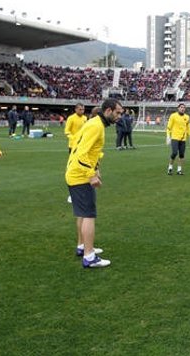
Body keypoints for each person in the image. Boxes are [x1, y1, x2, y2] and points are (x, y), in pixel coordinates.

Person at [65, 98, 124, 268]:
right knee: (89, 214)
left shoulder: (94, 123)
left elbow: (85, 148)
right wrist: (91, 175)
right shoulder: (96, 126)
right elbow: (82, 153)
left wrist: (96, 168)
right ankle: (89, 257)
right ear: (108, 111)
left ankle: (82, 246)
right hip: (80, 176)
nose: (119, 116)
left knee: (82, 213)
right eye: (117, 112)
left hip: (76, 173)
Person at [166, 103, 190, 175]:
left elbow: (188, 128)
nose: (183, 108)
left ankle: (179, 170)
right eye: (181, 107)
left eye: (184, 107)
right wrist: (168, 136)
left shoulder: (187, 117)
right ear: (178, 108)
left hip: (183, 139)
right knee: (174, 153)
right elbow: (169, 127)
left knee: (182, 155)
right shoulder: (173, 116)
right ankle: (170, 168)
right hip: (175, 138)